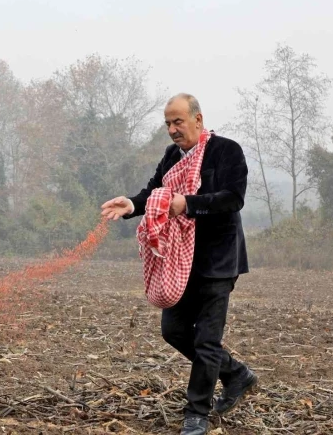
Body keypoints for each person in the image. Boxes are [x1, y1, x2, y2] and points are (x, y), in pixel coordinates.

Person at [101, 93, 257, 435]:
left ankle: (197, 413)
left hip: (217, 262)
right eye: (168, 124)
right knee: (172, 330)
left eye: (178, 122)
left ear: (198, 120)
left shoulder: (226, 150)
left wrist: (186, 203)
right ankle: (236, 374)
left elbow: (233, 199)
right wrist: (130, 204)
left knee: (206, 340)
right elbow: (154, 192)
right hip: (178, 260)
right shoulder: (173, 156)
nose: (172, 130)